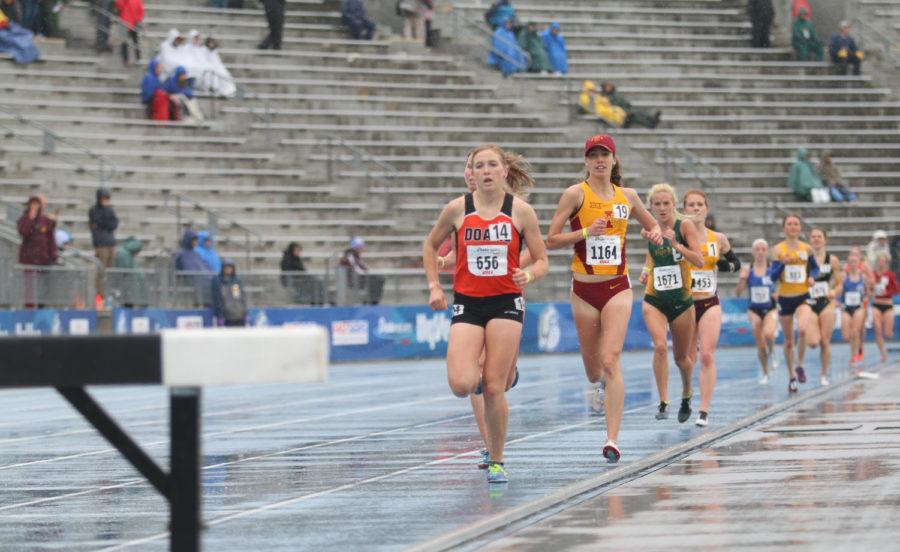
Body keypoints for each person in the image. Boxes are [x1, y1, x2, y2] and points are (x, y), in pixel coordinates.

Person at [423, 144, 548, 484]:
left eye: (493, 165)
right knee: (462, 384)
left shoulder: (520, 211)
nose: (487, 171)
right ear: (472, 174)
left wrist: (531, 275)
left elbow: (541, 258)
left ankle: (496, 459)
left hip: (506, 301)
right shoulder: (457, 209)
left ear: (504, 171)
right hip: (468, 301)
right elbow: (431, 245)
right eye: (480, 166)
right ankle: (505, 371)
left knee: (493, 387)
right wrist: (435, 285)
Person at [546, 134, 662, 463]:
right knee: (593, 370)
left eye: (604, 154)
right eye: (593, 155)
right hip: (583, 290)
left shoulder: (628, 196)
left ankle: (612, 439)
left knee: (610, 360)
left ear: (614, 160)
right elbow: (552, 239)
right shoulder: (574, 194)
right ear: (586, 161)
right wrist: (585, 232)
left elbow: (656, 230)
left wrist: (652, 233)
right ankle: (598, 385)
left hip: (617, 287)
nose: (599, 160)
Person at [638, 184, 704, 424]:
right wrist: (646, 270)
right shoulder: (650, 227)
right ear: (651, 206)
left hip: (681, 300)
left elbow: (698, 260)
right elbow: (653, 253)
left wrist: (676, 245)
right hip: (654, 297)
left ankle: (686, 393)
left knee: (681, 359)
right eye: (657, 204)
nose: (662, 208)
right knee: (659, 347)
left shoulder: (684, 225)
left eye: (666, 203)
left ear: (673, 204)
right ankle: (664, 401)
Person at [682, 189, 741, 427]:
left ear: (706, 208)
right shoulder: (678, 235)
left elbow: (735, 262)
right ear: (684, 209)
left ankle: (703, 410)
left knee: (707, 355)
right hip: (685, 303)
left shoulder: (718, 238)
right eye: (691, 205)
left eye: (700, 205)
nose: (696, 209)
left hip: (709, 302)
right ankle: (687, 394)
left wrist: (723, 268)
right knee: (687, 359)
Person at [770, 214, 820, 393]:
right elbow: (772, 276)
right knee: (789, 341)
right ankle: (792, 376)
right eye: (789, 224)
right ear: (784, 228)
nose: (792, 227)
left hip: (802, 295)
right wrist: (782, 264)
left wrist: (813, 277)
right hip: (785, 297)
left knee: (804, 329)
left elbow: (815, 268)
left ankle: (800, 365)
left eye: (796, 224)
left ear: (800, 228)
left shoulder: (806, 248)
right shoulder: (777, 249)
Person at [797, 227, 841, 387]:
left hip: (826, 303)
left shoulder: (832, 260)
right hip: (809, 302)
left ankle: (823, 375)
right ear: (809, 240)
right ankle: (799, 363)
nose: (816, 239)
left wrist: (834, 291)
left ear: (825, 239)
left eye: (819, 236)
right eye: (813, 237)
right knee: (814, 342)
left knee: (825, 341)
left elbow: (840, 282)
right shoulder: (804, 259)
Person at [735, 239, 779, 384]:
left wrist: (777, 294)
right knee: (760, 345)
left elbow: (782, 287)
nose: (760, 252)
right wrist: (742, 279)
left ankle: (773, 352)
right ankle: (766, 373)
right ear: (753, 252)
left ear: (767, 252)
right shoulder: (748, 269)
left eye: (763, 249)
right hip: (754, 309)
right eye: (757, 249)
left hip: (770, 308)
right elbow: (738, 293)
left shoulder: (773, 268)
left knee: (768, 333)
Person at [17, 196, 57, 308]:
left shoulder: (44, 220)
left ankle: (41, 307)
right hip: (29, 259)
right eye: (32, 204)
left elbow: (51, 238)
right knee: (30, 286)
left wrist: (53, 255)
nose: (34, 207)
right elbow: (23, 232)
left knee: (43, 286)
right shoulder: (24, 219)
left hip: (43, 259)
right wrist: (30, 219)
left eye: (37, 204)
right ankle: (29, 309)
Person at [839, 248, 869, 373]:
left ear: (858, 263)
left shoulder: (863, 276)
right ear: (847, 263)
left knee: (855, 331)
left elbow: (867, 293)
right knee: (846, 335)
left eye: (855, 262)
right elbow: (837, 290)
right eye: (850, 262)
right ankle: (856, 350)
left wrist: (865, 304)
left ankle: (854, 356)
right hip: (846, 307)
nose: (852, 264)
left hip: (859, 306)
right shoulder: (843, 276)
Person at [88, 187, 118, 300]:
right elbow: (97, 224)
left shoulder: (109, 210)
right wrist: (105, 224)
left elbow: (113, 224)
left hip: (110, 242)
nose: (105, 201)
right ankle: (100, 294)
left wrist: (104, 224)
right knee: (102, 269)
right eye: (103, 198)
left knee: (110, 269)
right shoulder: (94, 210)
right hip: (101, 244)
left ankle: (109, 293)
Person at [340, 237, 385, 305]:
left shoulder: (355, 256)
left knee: (378, 279)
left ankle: (372, 301)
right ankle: (372, 302)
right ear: (355, 247)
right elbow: (357, 269)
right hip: (354, 280)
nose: (362, 248)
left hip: (358, 278)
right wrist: (366, 272)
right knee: (378, 279)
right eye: (360, 246)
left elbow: (361, 267)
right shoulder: (350, 256)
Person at [871, 253, 898, 363]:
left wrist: (887, 292)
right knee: (877, 329)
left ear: (886, 263)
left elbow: (896, 289)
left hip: (887, 304)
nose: (881, 263)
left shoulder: (890, 275)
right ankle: (883, 352)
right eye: (879, 261)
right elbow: (868, 286)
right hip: (876, 304)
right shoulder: (873, 274)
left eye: (883, 261)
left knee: (888, 333)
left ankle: (887, 345)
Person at [211, 260, 247, 326]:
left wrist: (245, 313)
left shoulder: (236, 281)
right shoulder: (217, 281)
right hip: (226, 317)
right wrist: (220, 316)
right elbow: (217, 300)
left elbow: (241, 298)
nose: (228, 270)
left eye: (230, 268)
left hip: (239, 316)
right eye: (226, 268)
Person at [114, 0, 142, 65]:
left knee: (128, 41)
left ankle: (129, 59)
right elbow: (140, 10)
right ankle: (134, 59)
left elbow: (119, 5)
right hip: (130, 21)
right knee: (132, 41)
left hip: (128, 21)